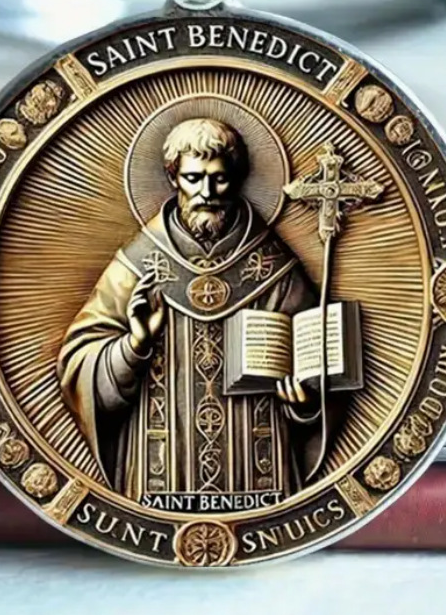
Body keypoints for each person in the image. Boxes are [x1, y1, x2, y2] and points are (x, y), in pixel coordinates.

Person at [57, 117, 339, 500]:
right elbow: (78, 366)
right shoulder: (138, 264)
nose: (207, 192)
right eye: (193, 178)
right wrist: (134, 346)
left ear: (235, 179)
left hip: (258, 470)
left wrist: (305, 404)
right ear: (173, 177)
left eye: (219, 178)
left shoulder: (273, 266)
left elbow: (319, 371)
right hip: (161, 470)